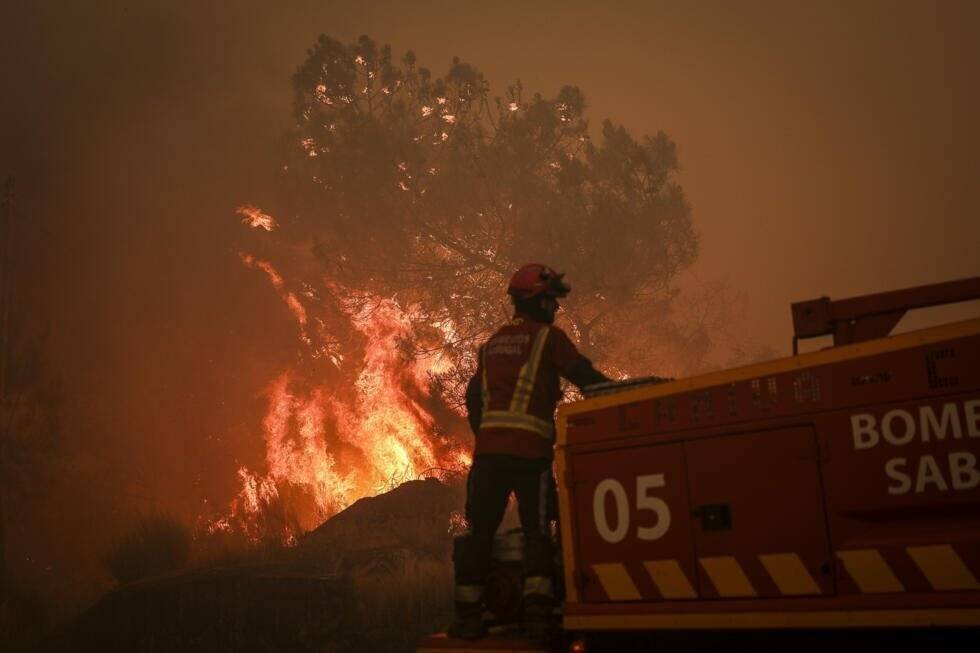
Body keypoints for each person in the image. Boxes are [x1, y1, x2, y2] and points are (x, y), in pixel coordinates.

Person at [449, 263, 611, 642]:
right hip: (530, 457)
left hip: (488, 459)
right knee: (539, 532)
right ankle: (538, 616)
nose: (555, 308)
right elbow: (584, 375)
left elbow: (474, 398)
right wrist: (620, 394)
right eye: (551, 300)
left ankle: (469, 618)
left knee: (479, 535)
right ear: (535, 302)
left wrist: (487, 436)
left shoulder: (490, 346)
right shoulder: (548, 339)